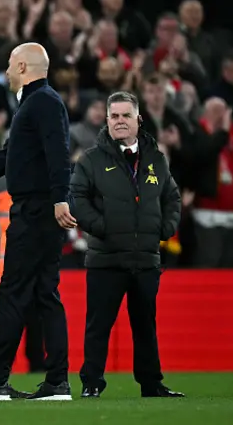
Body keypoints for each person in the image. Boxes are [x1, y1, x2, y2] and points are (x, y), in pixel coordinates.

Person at [0, 43, 75, 401]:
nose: (5, 71)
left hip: (36, 212)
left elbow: (59, 154)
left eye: (9, 64)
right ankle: (56, 382)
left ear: (22, 66)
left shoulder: (42, 102)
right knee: (43, 294)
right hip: (39, 209)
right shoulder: (37, 103)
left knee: (14, 292)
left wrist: (59, 198)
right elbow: (8, 157)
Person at [70, 91, 184, 398]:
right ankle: (92, 383)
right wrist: (101, 227)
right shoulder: (91, 160)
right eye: (115, 116)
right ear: (106, 120)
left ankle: (152, 384)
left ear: (138, 119)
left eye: (126, 116)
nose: (120, 121)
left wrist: (166, 227)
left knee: (146, 326)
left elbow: (172, 197)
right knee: (99, 326)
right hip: (106, 258)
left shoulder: (156, 158)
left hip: (146, 257)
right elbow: (77, 198)